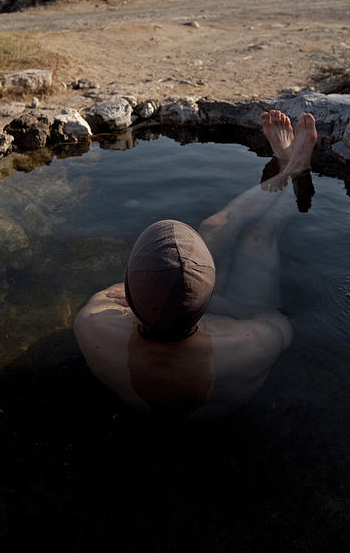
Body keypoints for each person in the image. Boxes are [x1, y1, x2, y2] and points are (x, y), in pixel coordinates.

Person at [74, 110, 318, 418]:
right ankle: (297, 168)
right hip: (234, 327)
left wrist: (161, 298)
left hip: (184, 312)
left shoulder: (92, 323)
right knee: (260, 235)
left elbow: (127, 293)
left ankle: (286, 170)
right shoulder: (249, 345)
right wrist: (219, 302)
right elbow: (275, 321)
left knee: (214, 226)